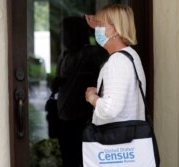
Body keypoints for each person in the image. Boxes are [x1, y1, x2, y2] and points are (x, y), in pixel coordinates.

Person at [51, 16, 108, 167]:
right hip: (63, 117)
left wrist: (95, 28)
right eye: (62, 32)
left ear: (77, 33)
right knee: (67, 158)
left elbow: (106, 51)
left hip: (81, 119)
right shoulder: (64, 56)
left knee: (81, 159)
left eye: (67, 32)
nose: (63, 36)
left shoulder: (89, 53)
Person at [85, 4, 146, 127]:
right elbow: (127, 92)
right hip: (128, 139)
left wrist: (91, 97)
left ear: (115, 30)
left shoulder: (117, 61)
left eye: (101, 25)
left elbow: (109, 110)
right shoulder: (130, 55)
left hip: (116, 142)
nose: (97, 29)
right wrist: (101, 90)